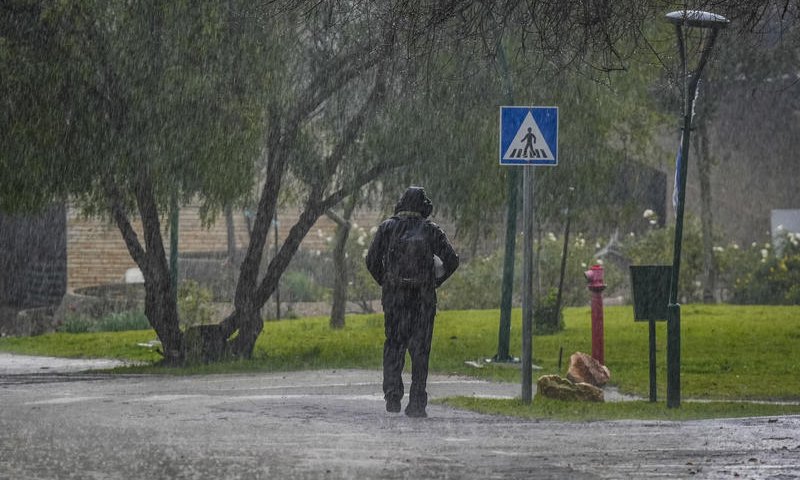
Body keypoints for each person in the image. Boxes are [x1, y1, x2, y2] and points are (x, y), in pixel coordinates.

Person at [366, 186, 459, 417]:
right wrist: (434, 282)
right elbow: (452, 260)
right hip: (423, 300)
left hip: (395, 299)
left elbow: (371, 261)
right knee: (420, 351)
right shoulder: (431, 230)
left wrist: (387, 282)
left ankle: (392, 394)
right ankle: (417, 402)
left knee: (394, 345)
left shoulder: (387, 228)